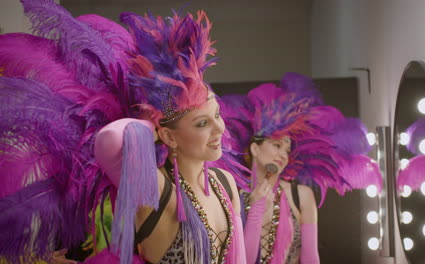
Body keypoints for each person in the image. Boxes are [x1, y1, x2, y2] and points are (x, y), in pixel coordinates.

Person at [0, 1, 246, 263]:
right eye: (202, 123)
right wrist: (152, 121)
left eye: (217, 115)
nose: (220, 128)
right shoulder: (152, 188)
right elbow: (111, 140)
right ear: (169, 137)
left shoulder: (225, 183)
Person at [221, 72, 382, 264]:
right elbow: (241, 260)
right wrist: (255, 210)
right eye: (277, 145)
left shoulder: (301, 195)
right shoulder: (234, 194)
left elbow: (310, 257)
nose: (283, 154)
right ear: (255, 148)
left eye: (287, 149)